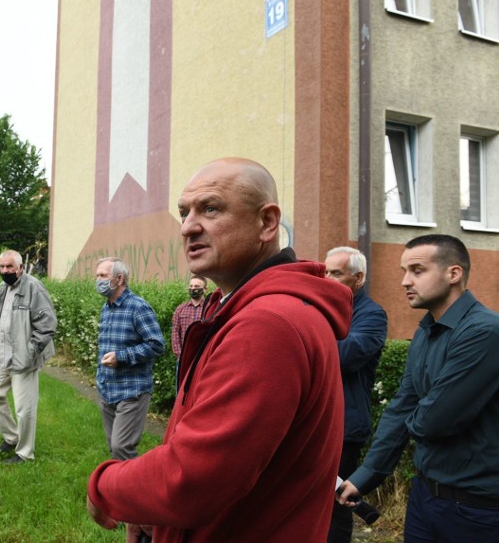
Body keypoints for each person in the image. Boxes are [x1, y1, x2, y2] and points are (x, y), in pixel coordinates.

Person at [87, 157, 352, 542]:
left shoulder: (268, 324)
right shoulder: (241, 308)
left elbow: (193, 479)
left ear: (267, 223)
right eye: (184, 212)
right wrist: (155, 513)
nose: (189, 226)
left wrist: (105, 486)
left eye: (211, 208)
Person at [337, 235, 499, 543]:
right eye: (403, 271)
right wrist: (365, 476)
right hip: (425, 497)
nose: (405, 281)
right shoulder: (425, 332)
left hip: (477, 510)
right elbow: (402, 405)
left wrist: (415, 414)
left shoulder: (486, 332)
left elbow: (436, 420)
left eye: (417, 270)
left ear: (454, 274)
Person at [323, 246, 388, 543]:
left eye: (335, 273)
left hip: (345, 427)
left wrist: (304, 341)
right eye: (325, 271)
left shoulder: (372, 315)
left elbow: (347, 355)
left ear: (358, 278)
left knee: (336, 507)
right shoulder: (323, 308)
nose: (327, 278)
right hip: (318, 422)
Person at [0, 250, 57, 464]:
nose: (5, 271)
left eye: (10, 267)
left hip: (25, 359)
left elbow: (48, 324)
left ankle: (24, 453)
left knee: (25, 409)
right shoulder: (3, 287)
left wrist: (31, 350)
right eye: (2, 267)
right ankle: (11, 437)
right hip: (4, 356)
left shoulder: (33, 287)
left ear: (21, 267)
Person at [94, 257, 165, 461]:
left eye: (103, 276)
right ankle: (117, 489)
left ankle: (137, 489)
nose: (98, 280)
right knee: (113, 448)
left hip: (132, 389)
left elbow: (157, 345)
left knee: (122, 447)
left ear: (119, 278)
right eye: (97, 275)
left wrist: (121, 357)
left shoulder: (138, 307)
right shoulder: (106, 308)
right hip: (108, 388)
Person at [170, 275, 208, 357]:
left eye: (197, 286)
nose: (193, 288)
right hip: (183, 357)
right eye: (191, 286)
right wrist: (180, 356)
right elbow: (175, 333)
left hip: (203, 357)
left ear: (205, 289)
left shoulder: (210, 308)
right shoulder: (180, 309)